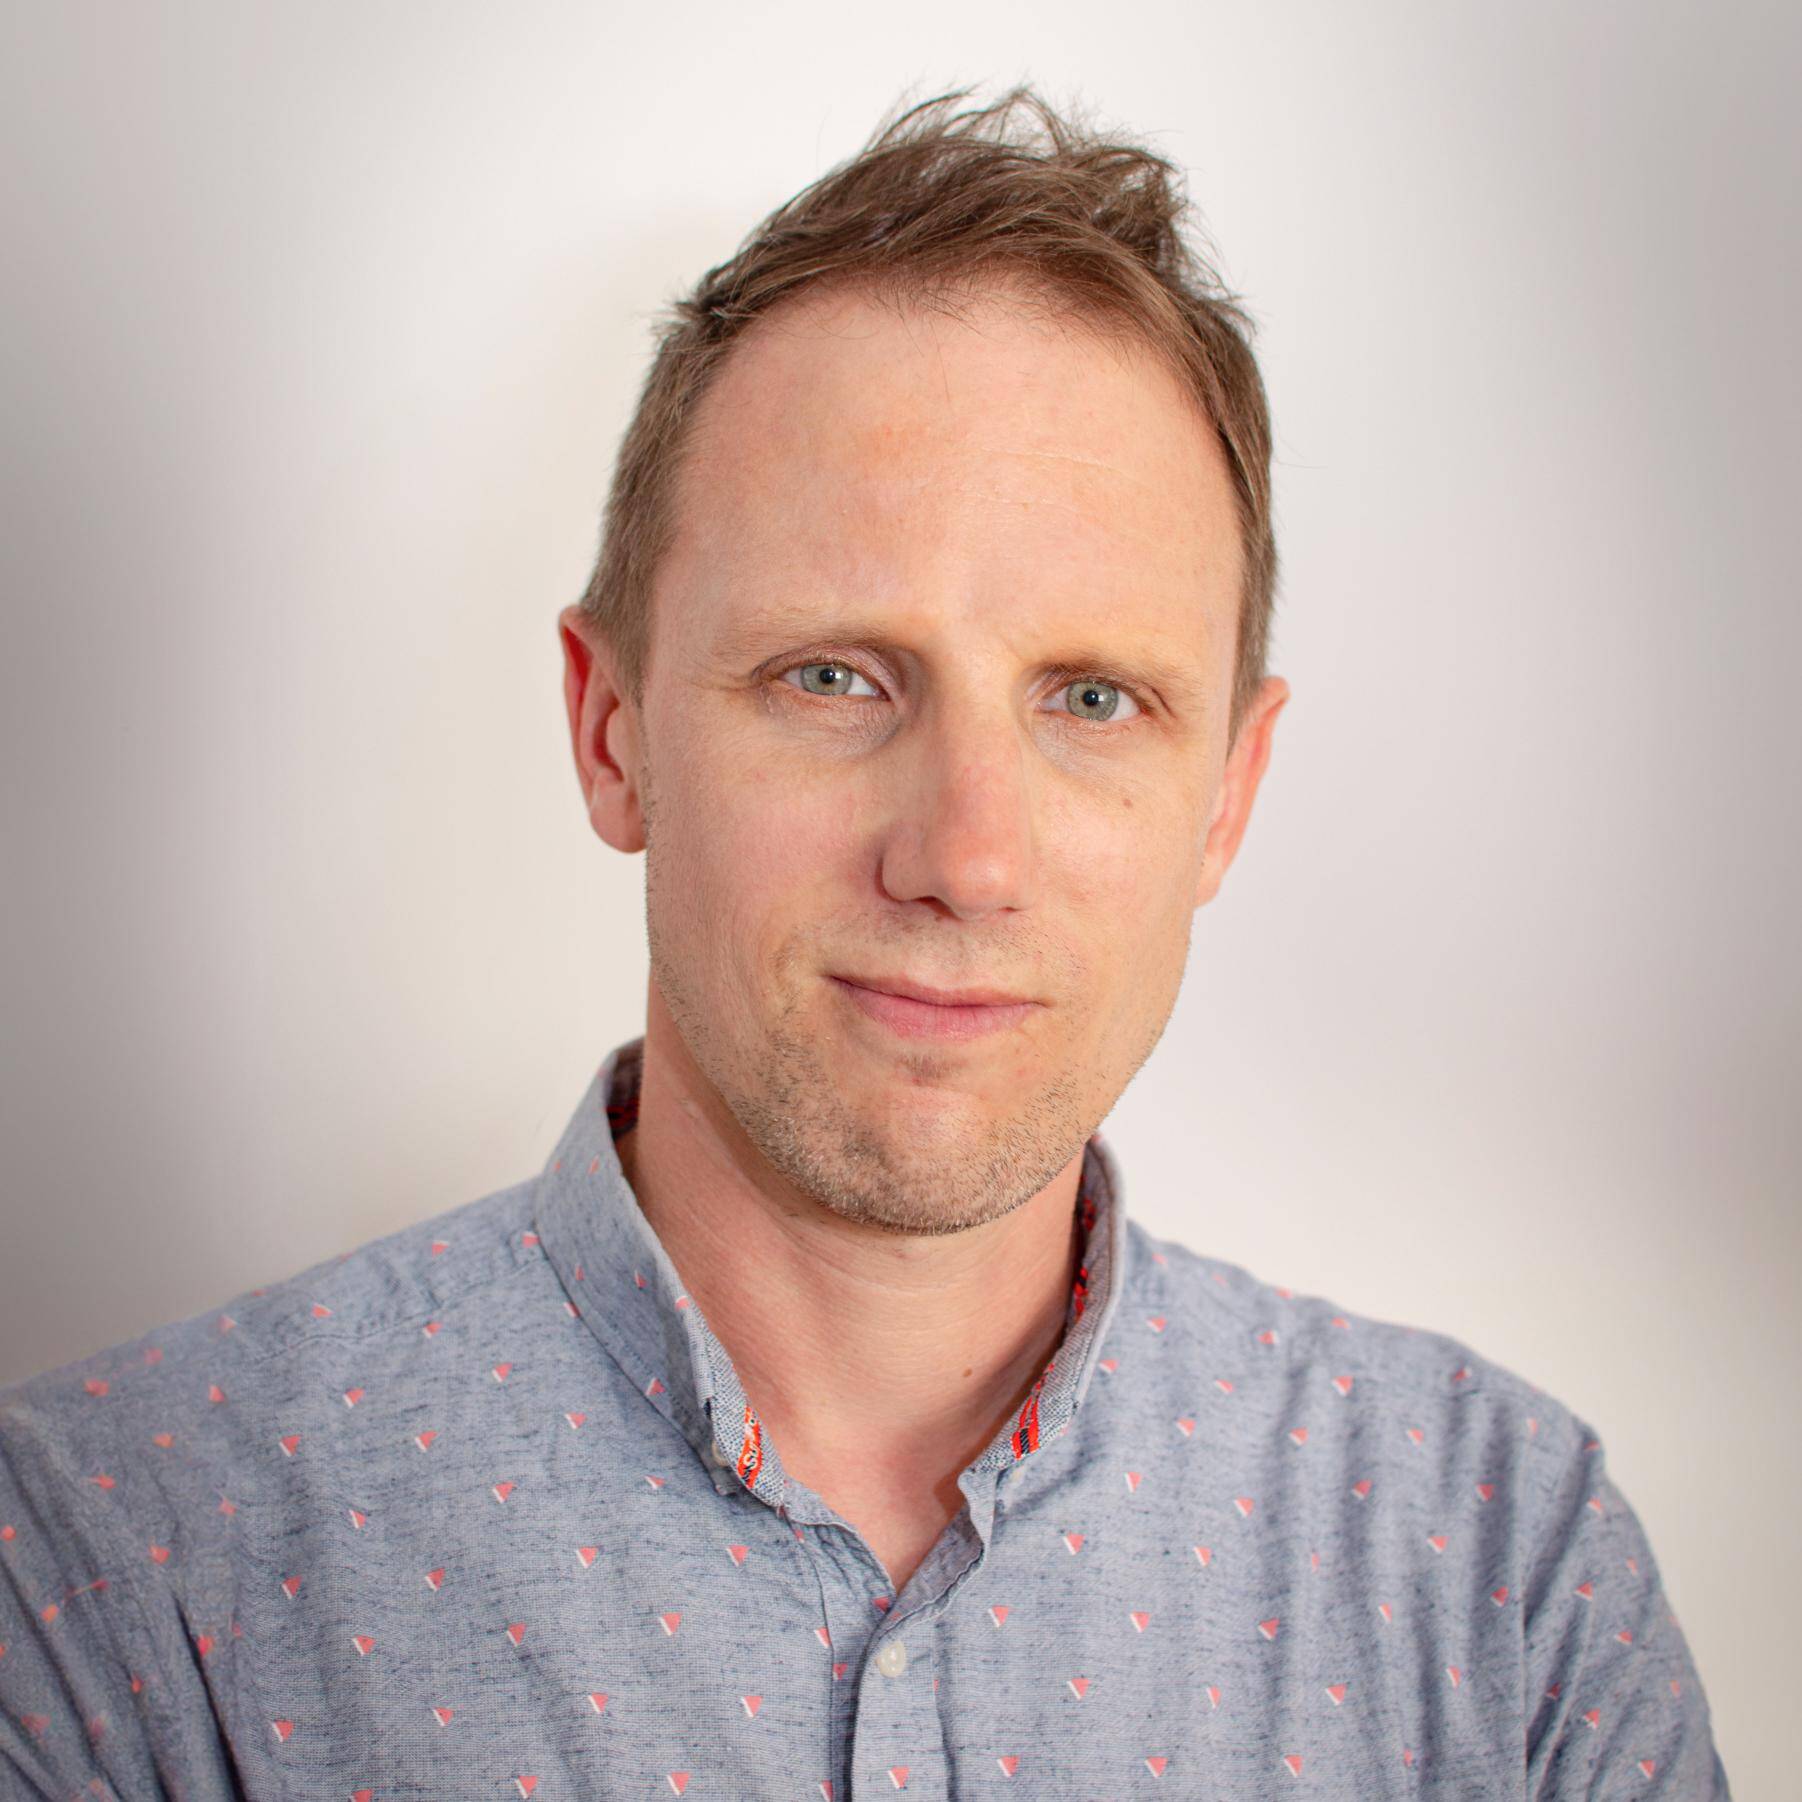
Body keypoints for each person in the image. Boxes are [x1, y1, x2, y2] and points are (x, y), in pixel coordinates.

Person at [0, 84, 1728, 1800]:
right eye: (831, 676)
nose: (963, 858)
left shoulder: (1503, 1572)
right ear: (611, 731)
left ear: (1226, 795)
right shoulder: (110, 1570)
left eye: (1092, 698)